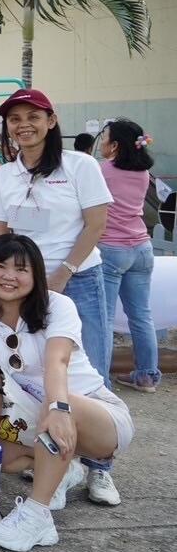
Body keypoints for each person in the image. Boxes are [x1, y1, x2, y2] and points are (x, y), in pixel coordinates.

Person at [0, 234, 134, 552]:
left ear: (35, 275)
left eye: (21, 269)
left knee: (53, 413)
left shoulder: (58, 305)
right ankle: (62, 470)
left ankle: (37, 517)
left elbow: (58, 361)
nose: (9, 276)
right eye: (0, 266)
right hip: (36, 415)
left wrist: (59, 407)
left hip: (93, 413)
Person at [0, 89, 112, 390]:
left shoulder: (80, 165)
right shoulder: (4, 176)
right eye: (15, 119)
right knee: (36, 366)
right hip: (25, 284)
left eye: (33, 117)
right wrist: (13, 278)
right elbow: (0, 232)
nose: (23, 125)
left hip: (79, 278)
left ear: (51, 120)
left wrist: (63, 273)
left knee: (89, 364)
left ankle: (101, 430)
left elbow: (96, 226)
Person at [97, 119, 158, 392]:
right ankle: (147, 377)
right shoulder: (144, 172)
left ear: (115, 145)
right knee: (142, 316)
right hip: (142, 248)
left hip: (111, 250)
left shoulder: (102, 171)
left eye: (104, 137)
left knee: (104, 319)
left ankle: (101, 383)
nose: (101, 142)